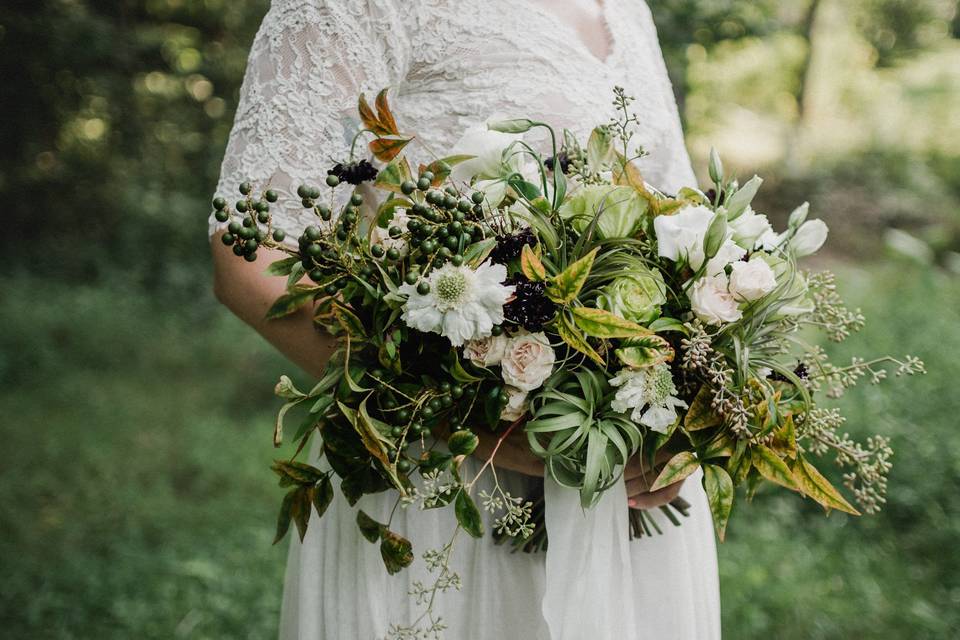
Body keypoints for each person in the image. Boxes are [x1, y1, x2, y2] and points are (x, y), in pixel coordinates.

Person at [210, 1, 720, 637]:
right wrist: (477, 430)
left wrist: (696, 408)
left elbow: (679, 222)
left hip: (629, 492)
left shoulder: (625, 9)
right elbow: (253, 255)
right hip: (444, 483)